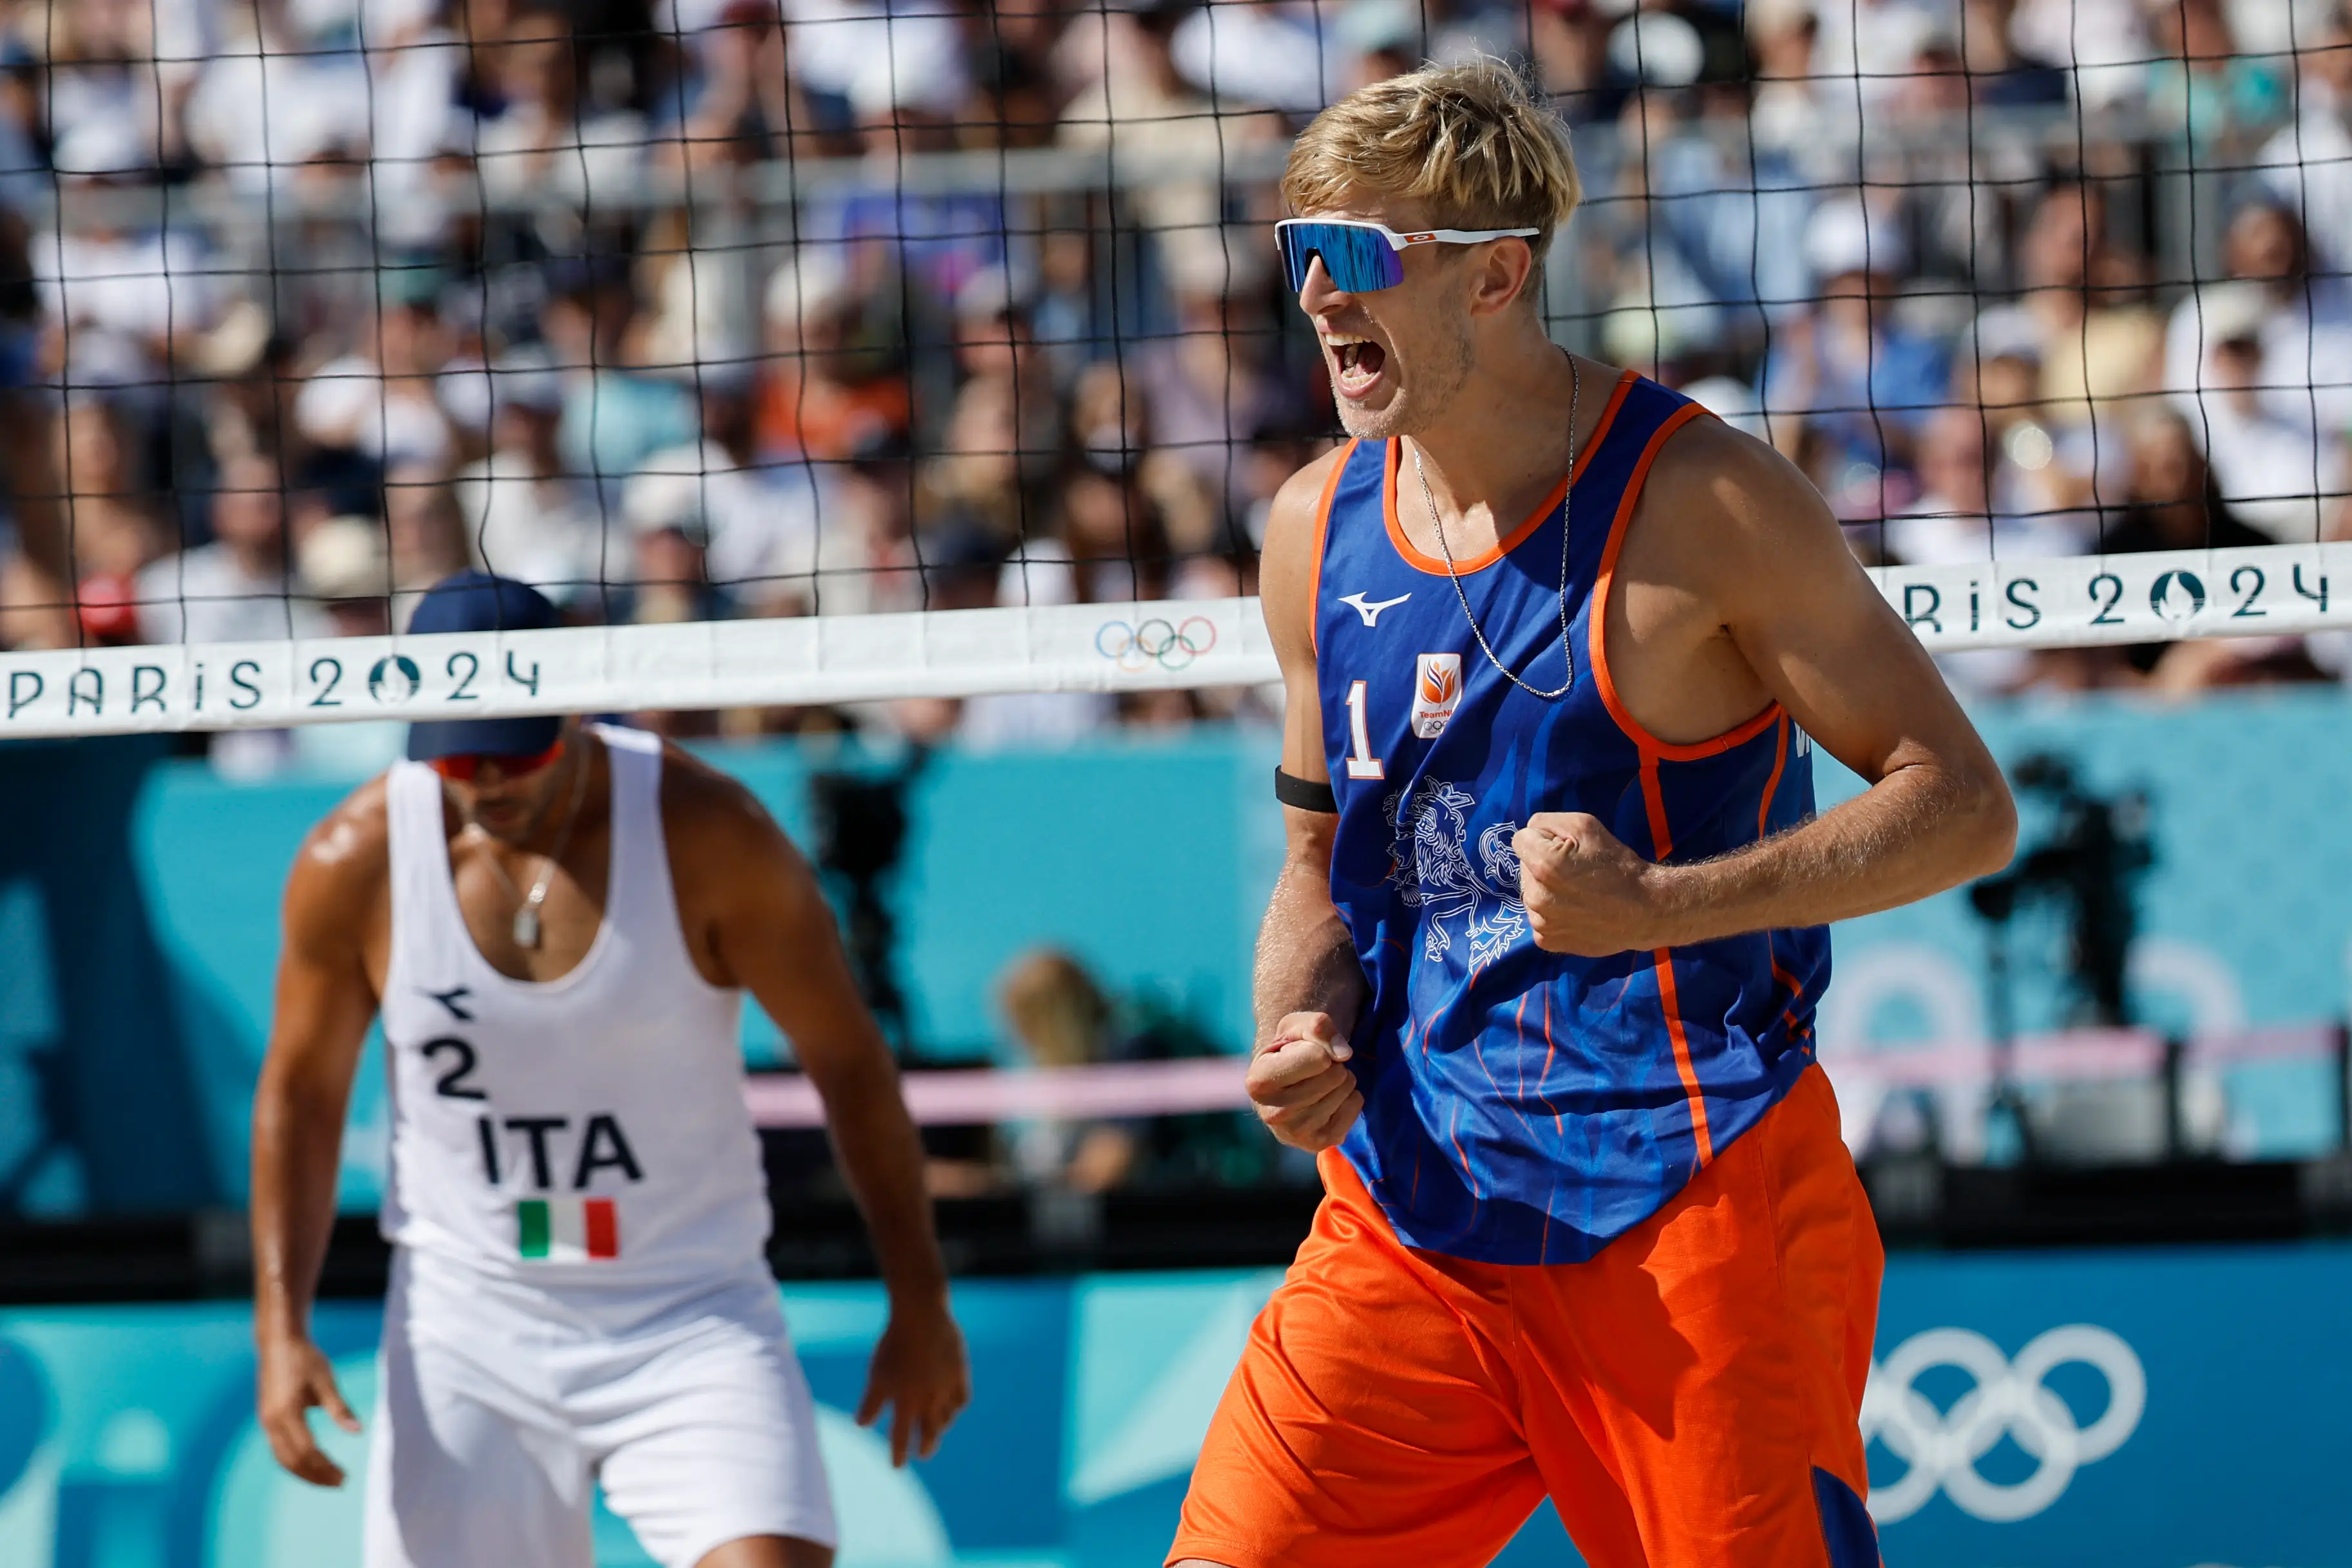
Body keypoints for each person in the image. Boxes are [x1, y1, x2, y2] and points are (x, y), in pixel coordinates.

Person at [1174, 62, 2015, 1568]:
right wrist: (1296, 1027)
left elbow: (1959, 805)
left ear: (1497, 276)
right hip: (1414, 1205)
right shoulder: (1312, 525)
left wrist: (1662, 907)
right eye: (1296, 251)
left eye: (1358, 255)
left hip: (1685, 1204)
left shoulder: (1700, 501)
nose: (1313, 294)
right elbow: (1317, 858)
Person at [250, 571, 969, 1568]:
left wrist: (920, 1299)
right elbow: (302, 1094)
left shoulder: (707, 833)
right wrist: (279, 1329)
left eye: (513, 750)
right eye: (456, 754)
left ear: (574, 709)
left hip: (689, 1305)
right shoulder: (355, 858)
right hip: (470, 1315)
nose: (485, 780)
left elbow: (849, 1064)